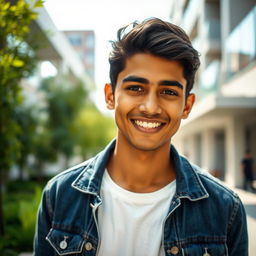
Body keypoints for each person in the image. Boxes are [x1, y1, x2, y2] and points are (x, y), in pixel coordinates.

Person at [34, 18, 248, 256]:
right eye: (135, 88)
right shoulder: (60, 195)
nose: (150, 107)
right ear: (110, 96)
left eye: (168, 92)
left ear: (187, 106)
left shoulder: (225, 208)